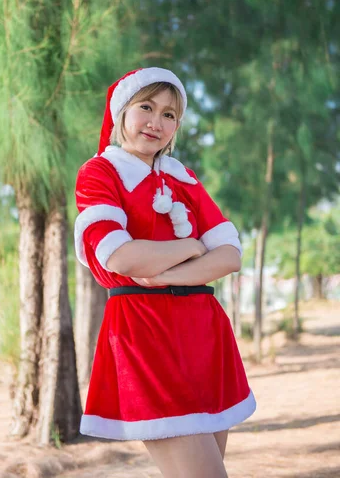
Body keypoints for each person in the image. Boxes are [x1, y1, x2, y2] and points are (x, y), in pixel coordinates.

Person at [74, 67, 256, 478]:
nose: (157, 122)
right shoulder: (100, 172)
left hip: (205, 335)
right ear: (122, 111)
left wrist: (168, 270)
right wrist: (193, 248)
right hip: (145, 334)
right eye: (146, 107)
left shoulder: (183, 178)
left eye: (170, 114)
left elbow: (230, 255)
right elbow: (120, 257)